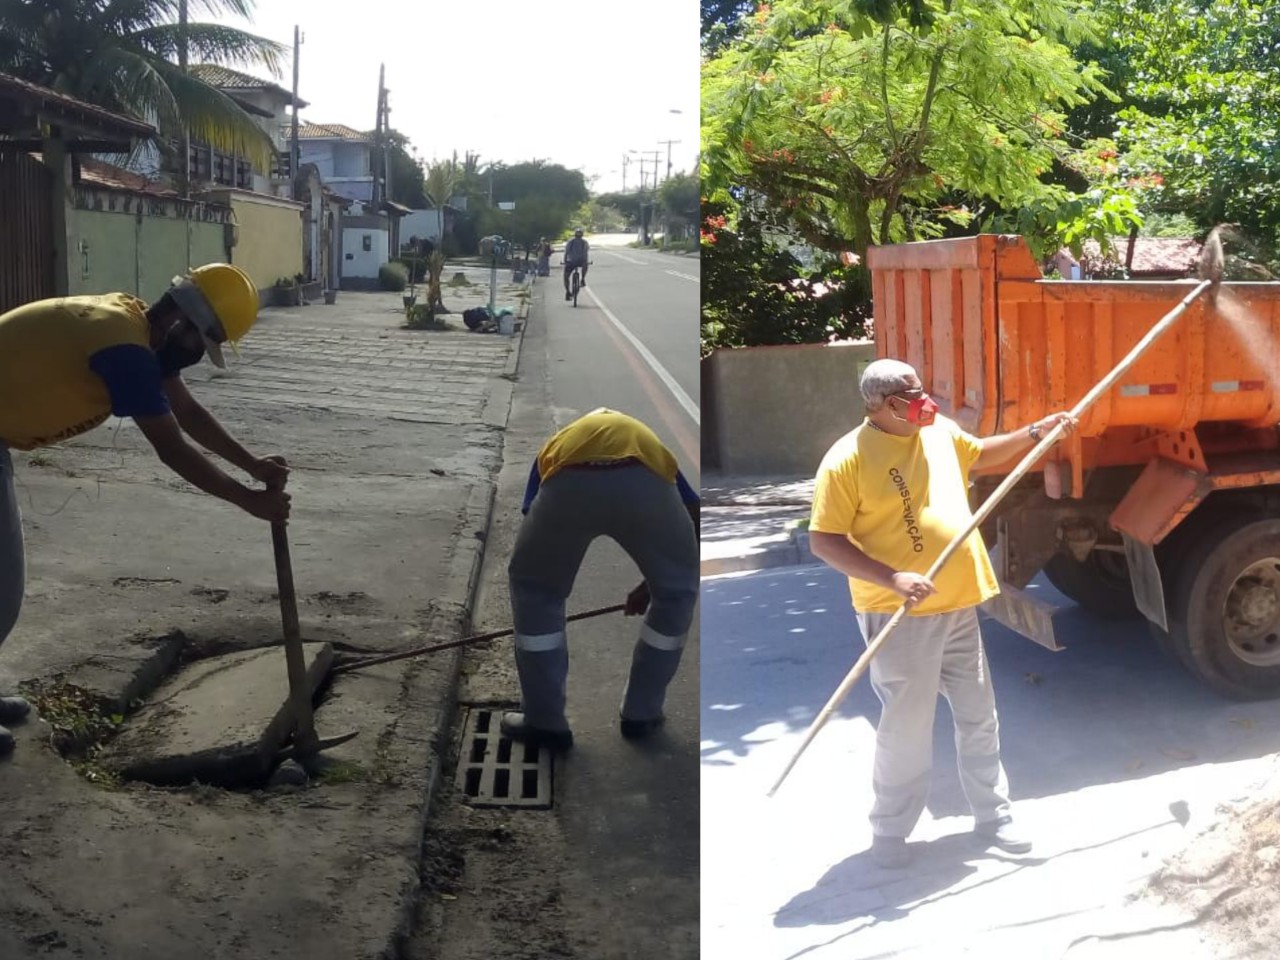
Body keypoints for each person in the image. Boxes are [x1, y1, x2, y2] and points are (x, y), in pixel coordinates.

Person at [0, 264, 292, 757]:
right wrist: (250, 502)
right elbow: (172, 448)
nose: (200, 356)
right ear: (181, 324)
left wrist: (253, 465)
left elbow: (189, 413)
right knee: (2, 588)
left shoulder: (138, 324)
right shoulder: (127, 350)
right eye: (204, 342)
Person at [808, 358, 1076, 868]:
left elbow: (980, 455)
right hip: (899, 613)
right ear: (887, 405)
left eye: (922, 389)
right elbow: (823, 541)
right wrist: (892, 577)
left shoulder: (937, 432)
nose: (926, 400)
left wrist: (1038, 432)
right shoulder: (847, 460)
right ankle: (890, 832)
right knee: (907, 728)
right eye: (914, 393)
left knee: (979, 716)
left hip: (958, 604)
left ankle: (993, 817)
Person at [503, 408, 700, 750]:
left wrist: (545, 582)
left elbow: (533, 524)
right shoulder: (648, 444)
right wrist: (655, 585)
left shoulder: (555, 446)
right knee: (676, 593)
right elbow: (693, 514)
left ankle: (545, 721)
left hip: (569, 478)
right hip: (644, 480)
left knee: (535, 591)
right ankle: (642, 713)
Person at [562, 228, 590, 300]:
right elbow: (567, 252)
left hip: (576, 261)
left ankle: (582, 279)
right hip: (572, 261)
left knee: (585, 266)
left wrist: (565, 260)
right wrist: (565, 260)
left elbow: (585, 252)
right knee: (566, 276)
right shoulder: (571, 242)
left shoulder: (584, 242)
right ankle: (568, 291)